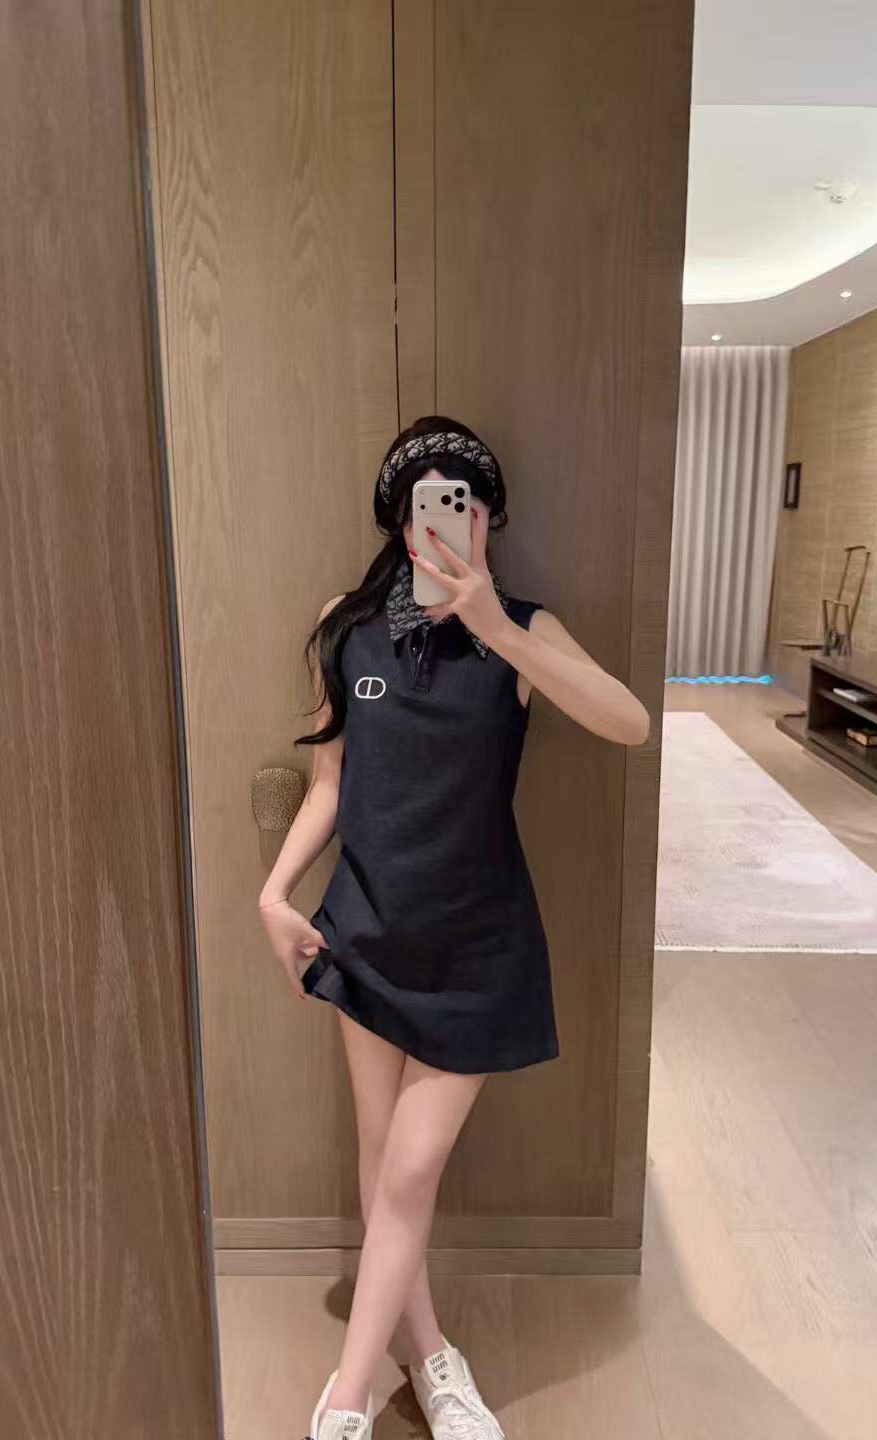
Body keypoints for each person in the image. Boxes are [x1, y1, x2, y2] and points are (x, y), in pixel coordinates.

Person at [258, 416, 650, 1440]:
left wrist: (497, 630)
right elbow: (330, 784)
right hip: (367, 930)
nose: (445, 517)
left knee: (408, 1170)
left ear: (488, 518)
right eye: (426, 501)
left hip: (478, 944)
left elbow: (630, 722)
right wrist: (274, 895)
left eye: (464, 500)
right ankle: (430, 1357)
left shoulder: (523, 628)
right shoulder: (346, 628)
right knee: (383, 1156)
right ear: (400, 520)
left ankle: (345, 1402)